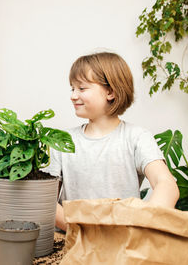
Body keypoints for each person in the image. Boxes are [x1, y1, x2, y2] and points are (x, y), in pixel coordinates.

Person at [44, 52, 179, 232]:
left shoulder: (137, 137)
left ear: (110, 92)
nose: (73, 95)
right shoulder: (62, 142)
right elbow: (45, 201)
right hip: (73, 241)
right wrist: (80, 231)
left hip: (122, 244)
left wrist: (146, 224)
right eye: (72, 88)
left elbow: (167, 184)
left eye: (82, 88)